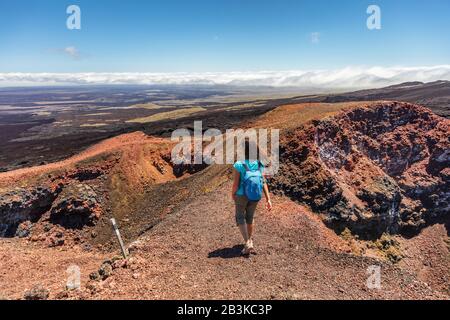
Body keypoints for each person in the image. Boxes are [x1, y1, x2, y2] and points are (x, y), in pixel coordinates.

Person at [232, 140, 272, 256]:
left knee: (240, 217)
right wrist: (268, 199)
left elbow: (236, 184)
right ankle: (248, 243)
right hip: (255, 195)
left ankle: (248, 242)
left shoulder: (239, 164)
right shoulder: (259, 164)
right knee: (250, 217)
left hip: (241, 195)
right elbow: (263, 181)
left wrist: (233, 194)